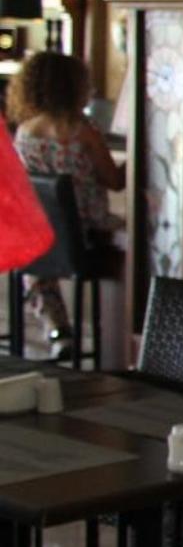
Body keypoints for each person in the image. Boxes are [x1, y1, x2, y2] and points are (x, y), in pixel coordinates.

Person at [5, 51, 122, 347]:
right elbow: (115, 181)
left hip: (45, 234)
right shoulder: (84, 132)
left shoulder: (24, 133)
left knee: (35, 258)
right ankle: (122, 336)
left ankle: (57, 328)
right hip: (86, 231)